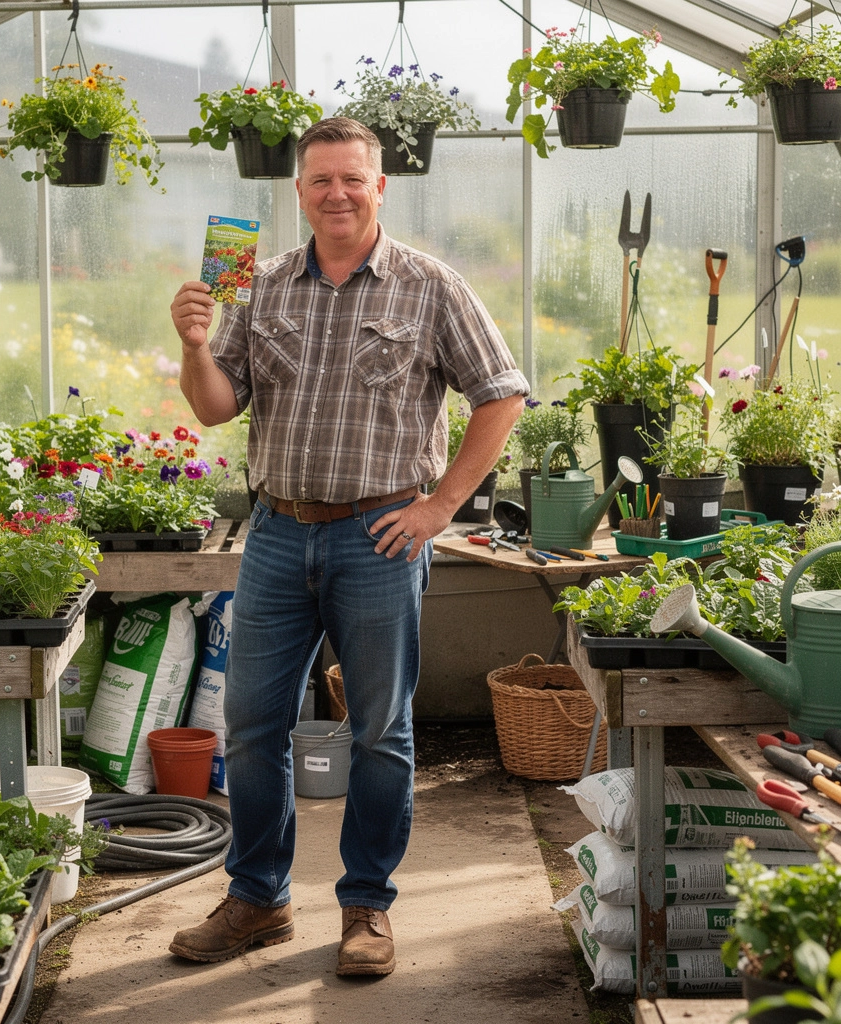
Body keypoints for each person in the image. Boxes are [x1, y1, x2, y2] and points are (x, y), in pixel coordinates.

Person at [168, 116, 528, 977]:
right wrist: (190, 346)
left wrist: (442, 506)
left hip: (380, 536)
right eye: (320, 180)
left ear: (380, 187)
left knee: (381, 733)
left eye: (352, 180)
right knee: (252, 728)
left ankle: (367, 907)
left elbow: (502, 393)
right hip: (279, 533)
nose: (337, 194)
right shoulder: (258, 288)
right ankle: (258, 898)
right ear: (298, 191)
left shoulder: (429, 285)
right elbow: (216, 407)